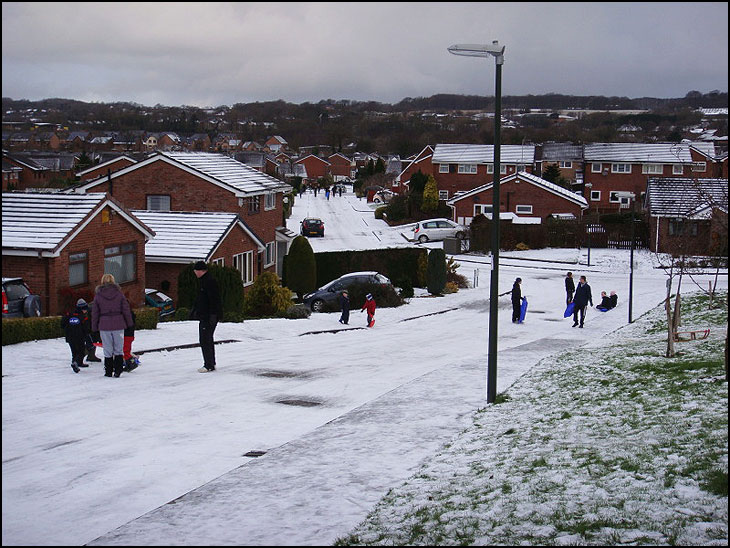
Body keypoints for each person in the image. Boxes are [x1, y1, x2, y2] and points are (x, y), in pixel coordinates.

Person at [91, 274, 133, 377]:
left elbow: (95, 313)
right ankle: (118, 370)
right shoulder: (119, 294)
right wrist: (129, 323)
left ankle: (108, 371)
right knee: (118, 349)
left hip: (104, 324)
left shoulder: (98, 296)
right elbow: (126, 310)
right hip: (118, 324)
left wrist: (94, 327)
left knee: (107, 349)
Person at [191, 261, 222, 373]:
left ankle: (208, 365)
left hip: (209, 316)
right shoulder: (203, 282)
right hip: (205, 316)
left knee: (205, 340)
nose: (195, 272)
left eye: (196, 270)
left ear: (201, 271)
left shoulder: (209, 282)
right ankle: (211, 362)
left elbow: (214, 300)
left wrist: (213, 315)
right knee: (207, 339)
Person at [61, 298, 93, 373]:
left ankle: (76, 363)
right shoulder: (83, 318)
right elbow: (86, 328)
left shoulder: (69, 314)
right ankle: (76, 363)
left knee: (74, 351)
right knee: (81, 351)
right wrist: (88, 334)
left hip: (70, 336)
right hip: (80, 337)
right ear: (82, 309)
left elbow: (62, 323)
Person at [122, 302, 139, 372]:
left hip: (127, 335)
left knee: (126, 351)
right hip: (129, 335)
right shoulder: (129, 313)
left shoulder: (127, 314)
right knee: (125, 350)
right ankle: (129, 364)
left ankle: (131, 363)